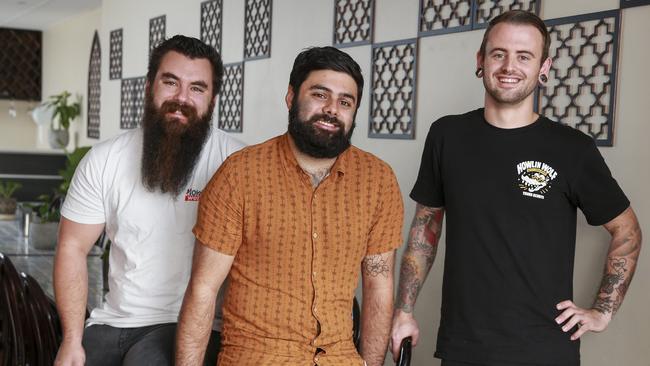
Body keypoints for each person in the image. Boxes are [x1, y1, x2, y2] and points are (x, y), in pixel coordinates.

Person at [390, 10, 642, 366]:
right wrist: (404, 311)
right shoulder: (447, 136)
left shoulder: (572, 149)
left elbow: (627, 231)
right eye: (499, 53)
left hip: (545, 350)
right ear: (481, 60)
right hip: (464, 346)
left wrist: (602, 311)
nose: (510, 66)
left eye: (524, 56)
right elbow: (425, 228)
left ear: (544, 67)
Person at [175, 46, 404, 366]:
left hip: (340, 358)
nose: (332, 109)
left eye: (345, 102)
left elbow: (379, 286)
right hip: (258, 357)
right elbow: (203, 290)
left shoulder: (377, 181)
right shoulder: (240, 175)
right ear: (291, 97)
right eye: (320, 94)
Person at [53, 35, 245, 366]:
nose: (182, 98)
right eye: (171, 83)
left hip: (193, 325)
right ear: (148, 86)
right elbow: (72, 247)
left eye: (197, 88)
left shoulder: (237, 164)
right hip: (113, 321)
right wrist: (72, 340)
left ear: (212, 99)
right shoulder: (104, 160)